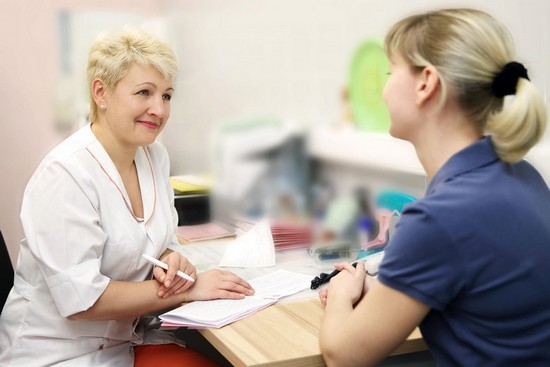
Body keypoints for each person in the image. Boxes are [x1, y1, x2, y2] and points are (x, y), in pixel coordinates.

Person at [0, 26, 254, 366]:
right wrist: (188, 290)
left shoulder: (154, 156)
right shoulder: (65, 174)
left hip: (125, 340)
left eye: (166, 95)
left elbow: (158, 243)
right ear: (101, 93)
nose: (160, 110)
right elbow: (82, 300)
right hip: (56, 353)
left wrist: (170, 260)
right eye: (144, 93)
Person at [319, 8, 550, 366]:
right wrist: (386, 290)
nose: (384, 87)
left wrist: (339, 293)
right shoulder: (522, 174)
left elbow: (342, 356)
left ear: (426, 83)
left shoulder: (441, 216)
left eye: (390, 71)